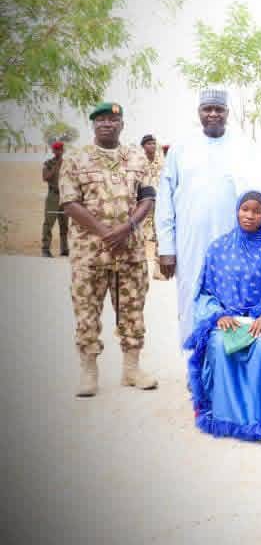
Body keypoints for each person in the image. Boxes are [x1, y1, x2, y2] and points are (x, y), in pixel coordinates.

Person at [59, 102, 158, 396]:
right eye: (100, 120)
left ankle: (131, 370)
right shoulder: (76, 158)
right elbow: (69, 203)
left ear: (122, 124)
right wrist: (106, 233)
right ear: (93, 125)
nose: (106, 124)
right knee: (87, 312)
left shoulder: (137, 157)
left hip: (130, 252)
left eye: (113, 120)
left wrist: (127, 228)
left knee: (133, 311)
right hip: (90, 254)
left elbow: (148, 198)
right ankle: (89, 372)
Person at [185, 191, 261, 441]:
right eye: (245, 209)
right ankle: (226, 418)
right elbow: (205, 292)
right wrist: (217, 315)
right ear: (236, 211)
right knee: (219, 344)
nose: (250, 215)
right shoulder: (218, 248)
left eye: (257, 211)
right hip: (228, 319)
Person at [157, 89, 255, 346]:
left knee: (232, 297)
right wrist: (166, 248)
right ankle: (194, 359)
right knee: (191, 296)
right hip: (190, 241)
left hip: (233, 241)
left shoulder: (243, 147)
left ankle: (224, 358)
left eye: (218, 109)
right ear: (199, 112)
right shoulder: (180, 149)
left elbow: (255, 197)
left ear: (227, 113)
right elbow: (165, 200)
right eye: (207, 109)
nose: (213, 114)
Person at [140, 135, 165, 280]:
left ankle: (158, 270)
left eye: (154, 143)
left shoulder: (161, 163)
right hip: (142, 206)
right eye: (149, 143)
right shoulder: (138, 162)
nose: (152, 146)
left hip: (158, 205)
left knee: (160, 236)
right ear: (143, 146)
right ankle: (139, 271)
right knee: (139, 236)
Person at [42, 141, 69, 257]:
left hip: (64, 196)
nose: (58, 151)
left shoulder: (68, 163)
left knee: (64, 224)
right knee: (49, 223)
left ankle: (64, 249)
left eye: (60, 149)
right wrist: (56, 166)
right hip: (53, 196)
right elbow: (45, 177)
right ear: (53, 151)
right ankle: (45, 249)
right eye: (56, 149)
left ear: (63, 150)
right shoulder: (48, 163)